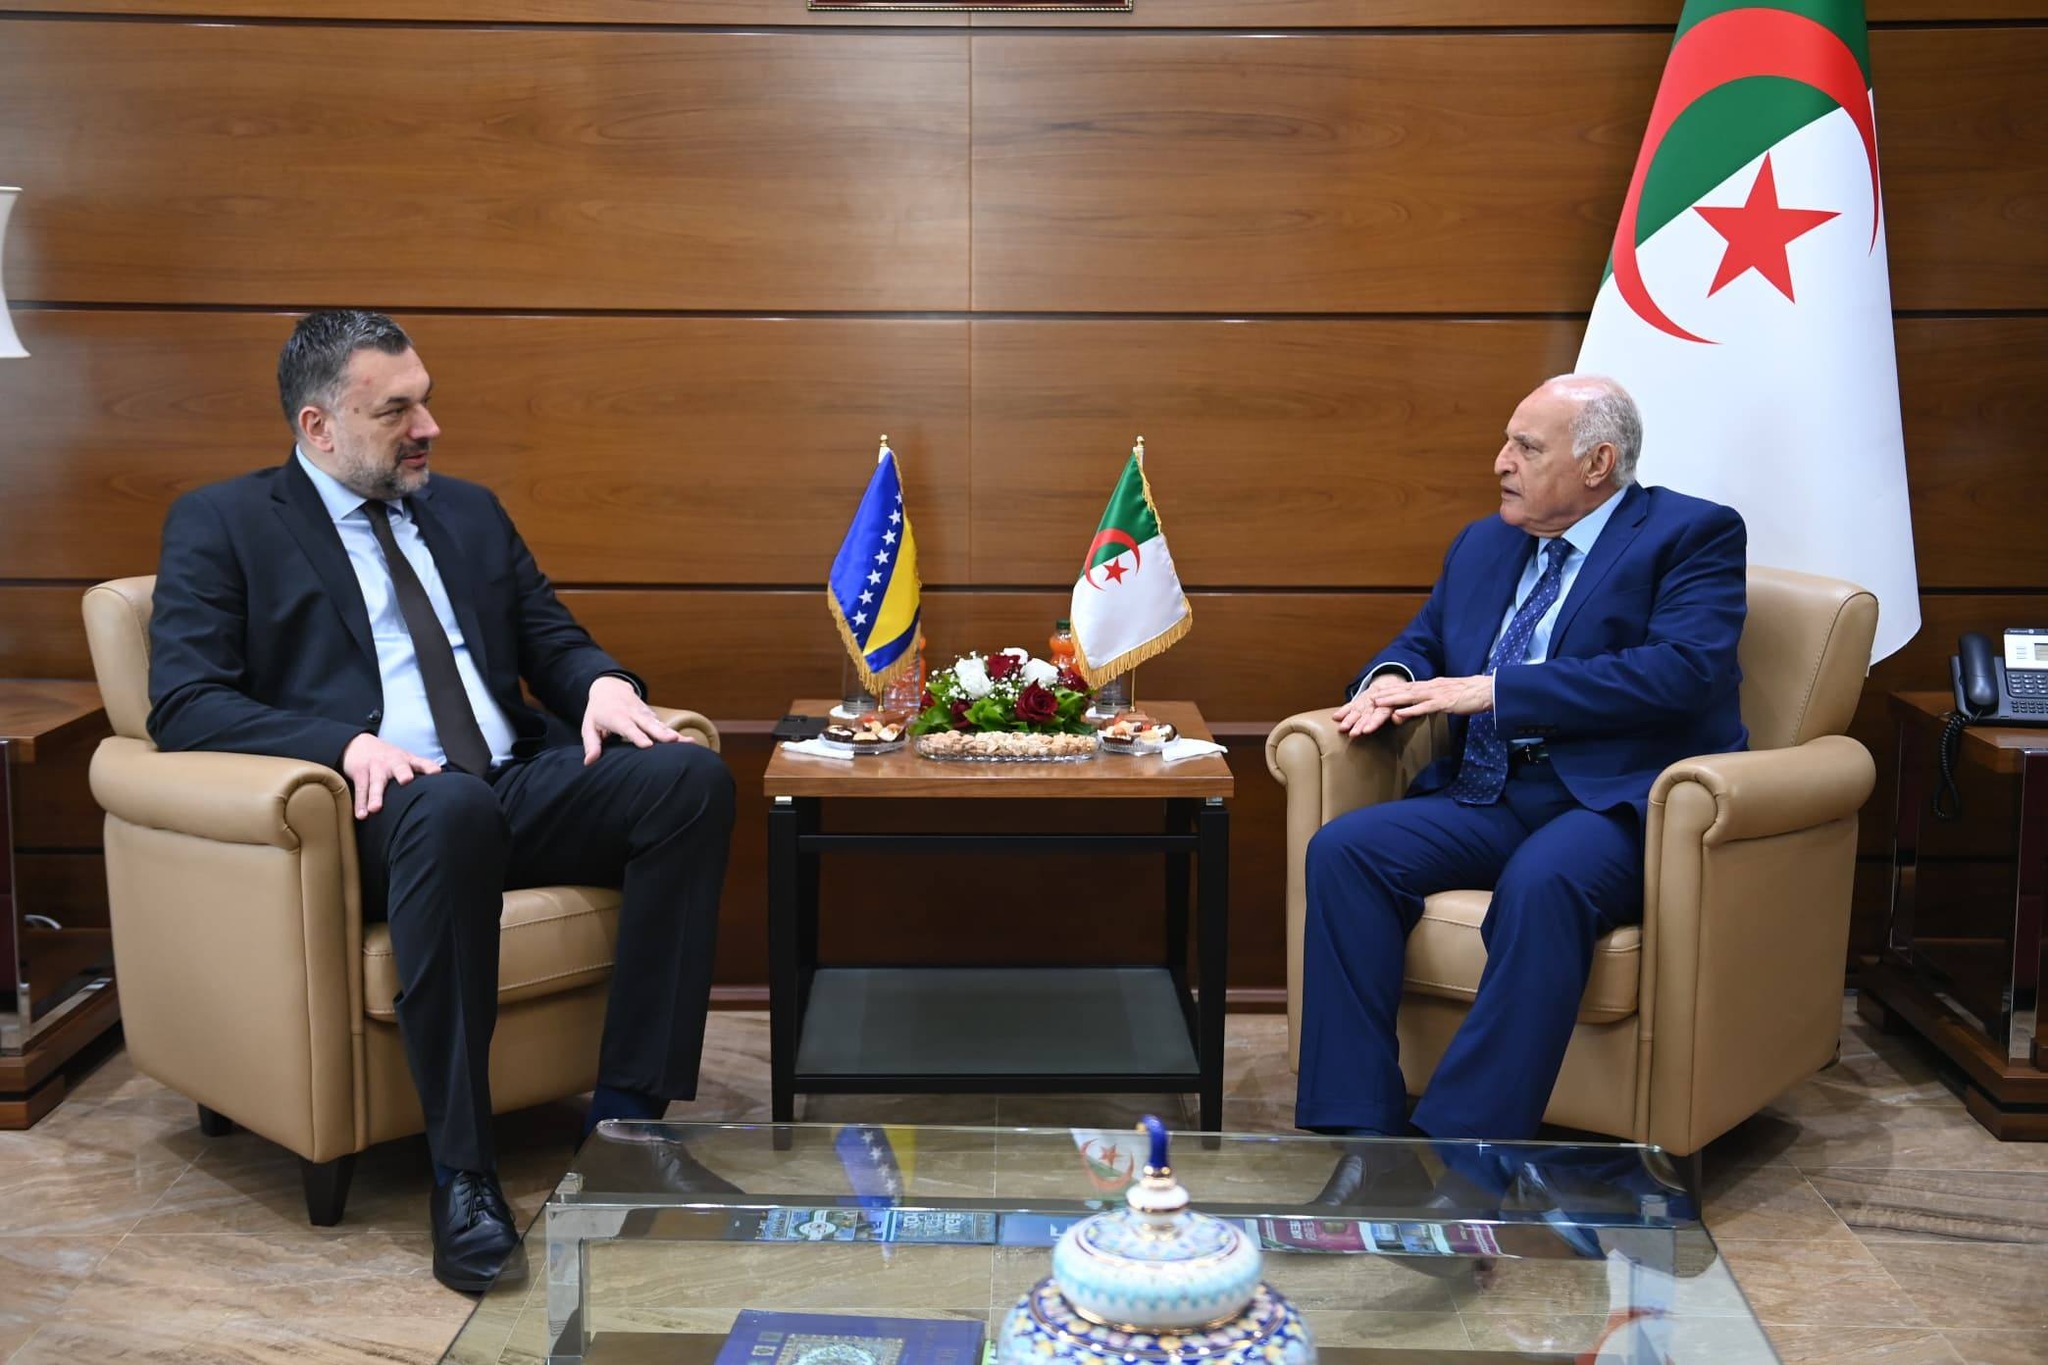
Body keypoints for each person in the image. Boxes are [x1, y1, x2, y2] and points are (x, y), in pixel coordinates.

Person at [147, 309, 736, 1293]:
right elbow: (184, 702)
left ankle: (628, 1130)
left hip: (511, 781)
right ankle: (462, 1177)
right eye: (396, 411)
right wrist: (340, 744)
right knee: (451, 808)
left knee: (687, 778)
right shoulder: (225, 523)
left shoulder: (468, 511)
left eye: (425, 401)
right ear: (318, 426)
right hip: (381, 813)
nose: (428, 428)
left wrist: (599, 682)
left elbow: (550, 636)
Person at [1296, 374, 1747, 1151]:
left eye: (1526, 447)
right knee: (1346, 852)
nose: (1500, 461)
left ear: (1598, 463)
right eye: (1506, 441)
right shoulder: (1484, 542)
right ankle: (1357, 1131)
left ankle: (1465, 1152)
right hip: (1488, 789)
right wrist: (1392, 679)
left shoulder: (1691, 534)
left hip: (1610, 800)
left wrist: (1501, 690)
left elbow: (1684, 670)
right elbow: (1425, 640)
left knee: (1544, 882)